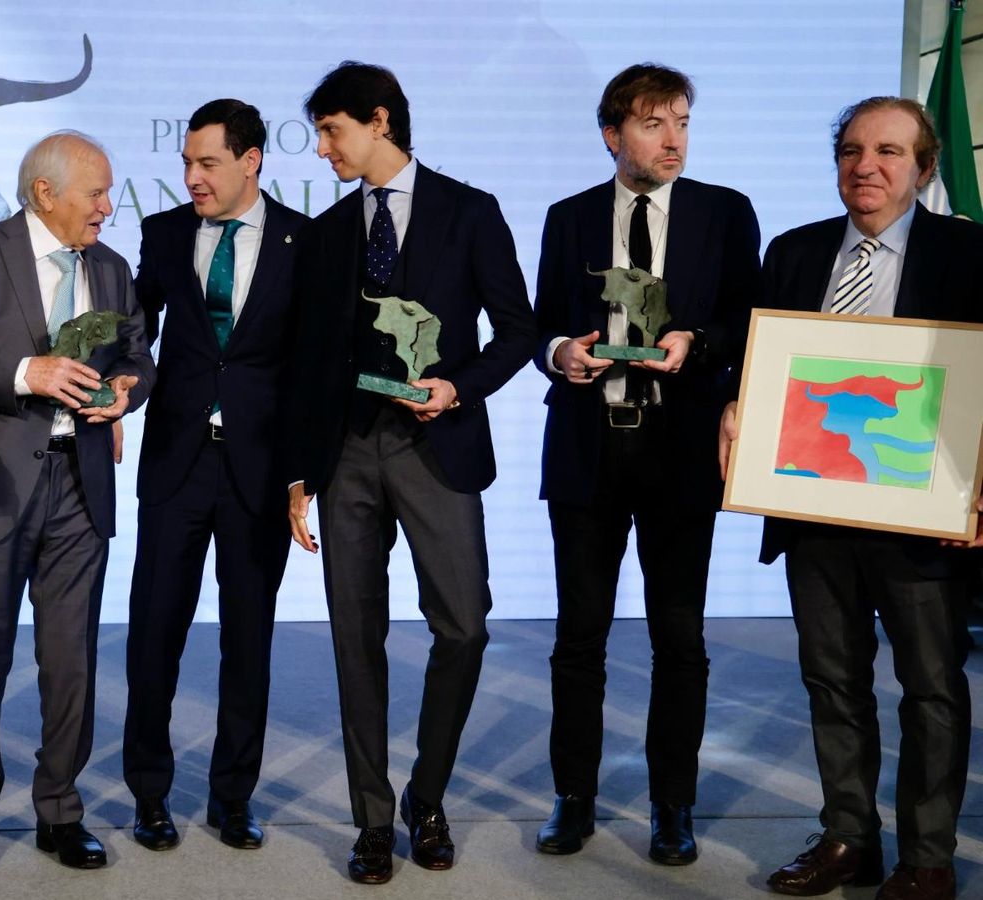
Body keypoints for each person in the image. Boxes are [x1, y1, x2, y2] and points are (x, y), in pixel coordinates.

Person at [719, 96, 982, 900]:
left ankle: (927, 859)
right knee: (831, 681)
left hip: (922, 516)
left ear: (924, 169)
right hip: (813, 509)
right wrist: (737, 403)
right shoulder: (794, 251)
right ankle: (848, 840)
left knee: (932, 689)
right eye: (852, 151)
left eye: (889, 152)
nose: (866, 166)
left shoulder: (969, 253)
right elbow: (760, 361)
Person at [283, 61, 536, 885]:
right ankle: (372, 819)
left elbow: (519, 331)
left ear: (379, 120)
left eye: (332, 131)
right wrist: (298, 474)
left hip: (439, 447)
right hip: (347, 453)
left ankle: (427, 797)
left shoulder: (470, 211)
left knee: (464, 626)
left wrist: (457, 386)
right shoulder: (325, 233)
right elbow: (307, 364)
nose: (323, 149)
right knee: (355, 638)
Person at [531, 63, 760, 864]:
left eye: (683, 123)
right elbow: (541, 325)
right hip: (588, 449)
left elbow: (747, 318)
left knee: (679, 638)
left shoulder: (724, 212)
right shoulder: (568, 217)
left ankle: (673, 805)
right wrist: (561, 351)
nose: (674, 141)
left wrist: (699, 341)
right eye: (655, 123)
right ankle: (573, 798)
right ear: (612, 134)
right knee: (578, 638)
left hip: (680, 449)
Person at [0, 130, 154, 878]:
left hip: (80, 483)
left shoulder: (111, 268)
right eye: (96, 193)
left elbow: (138, 355)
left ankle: (60, 809)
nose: (108, 208)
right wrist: (29, 372)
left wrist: (127, 392)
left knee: (71, 658)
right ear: (45, 193)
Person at [123, 99, 307, 853]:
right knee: (153, 633)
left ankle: (234, 797)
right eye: (187, 164)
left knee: (249, 638)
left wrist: (303, 472)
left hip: (260, 470)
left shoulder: (304, 239)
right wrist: (111, 392)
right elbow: (135, 332)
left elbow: (312, 365)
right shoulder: (164, 232)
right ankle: (149, 794)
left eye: (208, 164)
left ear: (250, 160)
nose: (192, 178)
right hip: (177, 461)